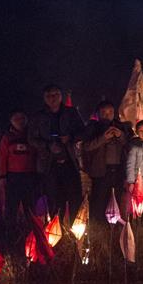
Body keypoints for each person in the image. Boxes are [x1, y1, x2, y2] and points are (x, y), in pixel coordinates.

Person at [29, 84, 84, 215]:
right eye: (49, 96)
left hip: (69, 161)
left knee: (74, 198)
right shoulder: (38, 116)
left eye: (55, 95)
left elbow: (83, 132)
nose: (52, 98)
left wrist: (70, 137)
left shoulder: (71, 113)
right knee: (53, 199)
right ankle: (55, 230)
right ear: (44, 98)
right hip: (49, 164)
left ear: (61, 96)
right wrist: (47, 145)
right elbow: (31, 139)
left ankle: (73, 230)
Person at [81, 101, 132, 221]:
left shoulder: (122, 127)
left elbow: (130, 146)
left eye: (110, 112)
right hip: (100, 169)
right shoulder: (92, 128)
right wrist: (103, 138)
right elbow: (86, 146)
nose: (107, 115)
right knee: (100, 196)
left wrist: (121, 136)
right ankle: (98, 222)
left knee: (117, 195)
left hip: (118, 168)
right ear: (97, 114)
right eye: (103, 112)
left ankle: (115, 221)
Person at [0, 110, 37, 219]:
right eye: (16, 119)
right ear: (11, 121)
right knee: (11, 206)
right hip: (13, 177)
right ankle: (11, 231)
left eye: (22, 118)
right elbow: (2, 157)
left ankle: (32, 231)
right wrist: (2, 176)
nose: (20, 121)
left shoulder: (32, 136)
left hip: (29, 175)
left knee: (30, 206)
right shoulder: (7, 138)